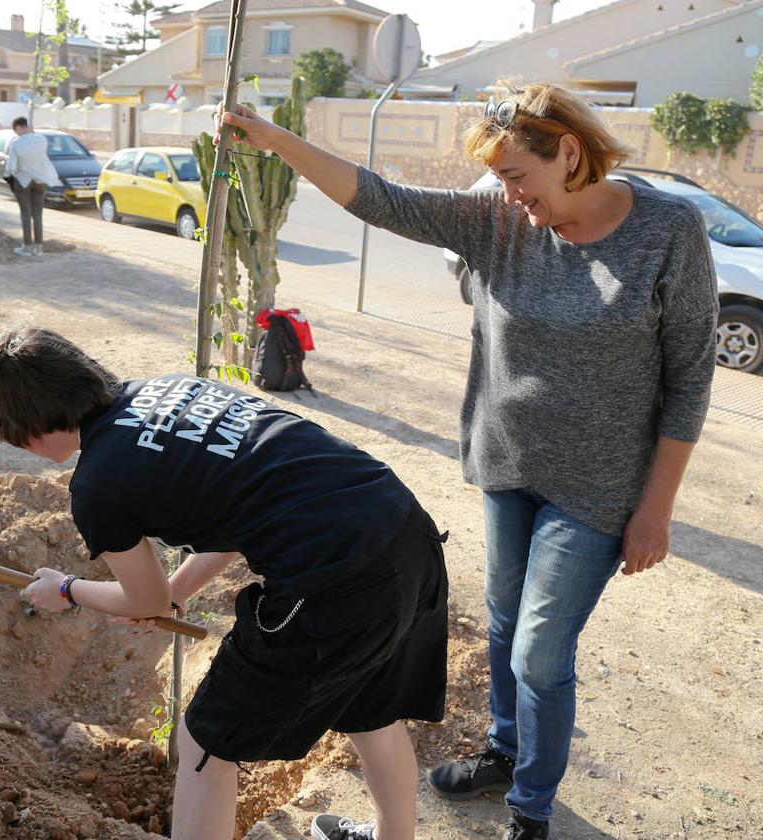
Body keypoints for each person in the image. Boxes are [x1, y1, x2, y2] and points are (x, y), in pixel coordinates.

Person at [219, 79, 718, 840]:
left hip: (597, 489)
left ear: (571, 153)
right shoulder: (497, 219)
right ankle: (506, 750)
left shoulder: (668, 231)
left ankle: (531, 810)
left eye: (517, 174)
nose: (507, 192)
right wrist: (278, 141)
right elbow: (383, 198)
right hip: (506, 464)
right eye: (500, 178)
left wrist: (656, 510)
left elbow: (689, 379)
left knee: (541, 650)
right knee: (504, 622)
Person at [0, 327, 449, 840]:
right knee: (370, 710)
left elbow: (145, 599)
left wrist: (67, 590)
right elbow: (234, 515)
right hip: (403, 529)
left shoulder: (96, 484)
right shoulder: (170, 390)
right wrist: (177, 591)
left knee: (204, 746)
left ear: (26, 430)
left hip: (337, 577)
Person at [4, 116, 60, 257]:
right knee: (38, 214)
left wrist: (8, 175)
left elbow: (11, 166)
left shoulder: (15, 143)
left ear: (17, 128)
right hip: (40, 180)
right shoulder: (41, 139)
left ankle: (27, 246)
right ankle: (39, 247)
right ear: (27, 126)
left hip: (23, 180)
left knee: (26, 214)